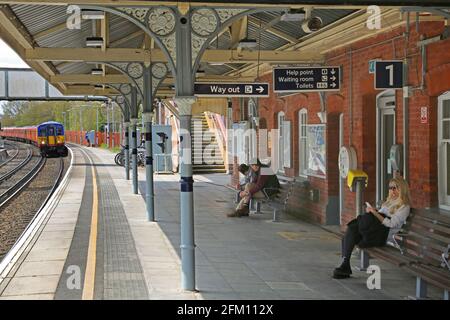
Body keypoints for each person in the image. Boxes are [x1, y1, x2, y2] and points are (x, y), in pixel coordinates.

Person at [332, 177, 411, 279]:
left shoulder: (404, 207)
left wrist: (374, 213)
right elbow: (379, 217)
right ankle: (345, 263)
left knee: (358, 225)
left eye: (395, 188)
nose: (392, 191)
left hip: (381, 235)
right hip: (372, 232)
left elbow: (391, 224)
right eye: (390, 188)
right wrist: (374, 212)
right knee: (352, 230)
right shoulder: (389, 203)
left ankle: (345, 264)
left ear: (402, 189)